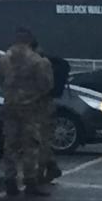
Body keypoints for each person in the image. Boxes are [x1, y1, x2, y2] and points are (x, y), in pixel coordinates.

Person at [0, 28, 53, 197]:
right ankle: (30, 182)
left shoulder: (5, 59)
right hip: (31, 108)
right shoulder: (37, 61)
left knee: (10, 145)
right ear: (30, 41)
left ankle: (10, 182)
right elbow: (46, 85)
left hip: (10, 106)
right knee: (31, 146)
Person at [30, 39, 69, 185]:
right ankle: (50, 166)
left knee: (38, 141)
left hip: (40, 105)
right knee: (42, 140)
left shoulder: (39, 64)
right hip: (46, 105)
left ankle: (41, 173)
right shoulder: (46, 62)